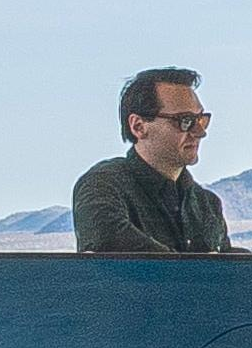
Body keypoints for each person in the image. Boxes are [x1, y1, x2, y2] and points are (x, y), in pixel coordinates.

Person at [69, 66, 235, 257]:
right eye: (185, 121)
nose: (200, 132)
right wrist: (207, 270)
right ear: (138, 127)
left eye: (201, 120)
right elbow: (111, 247)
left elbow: (230, 271)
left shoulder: (207, 204)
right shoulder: (102, 186)